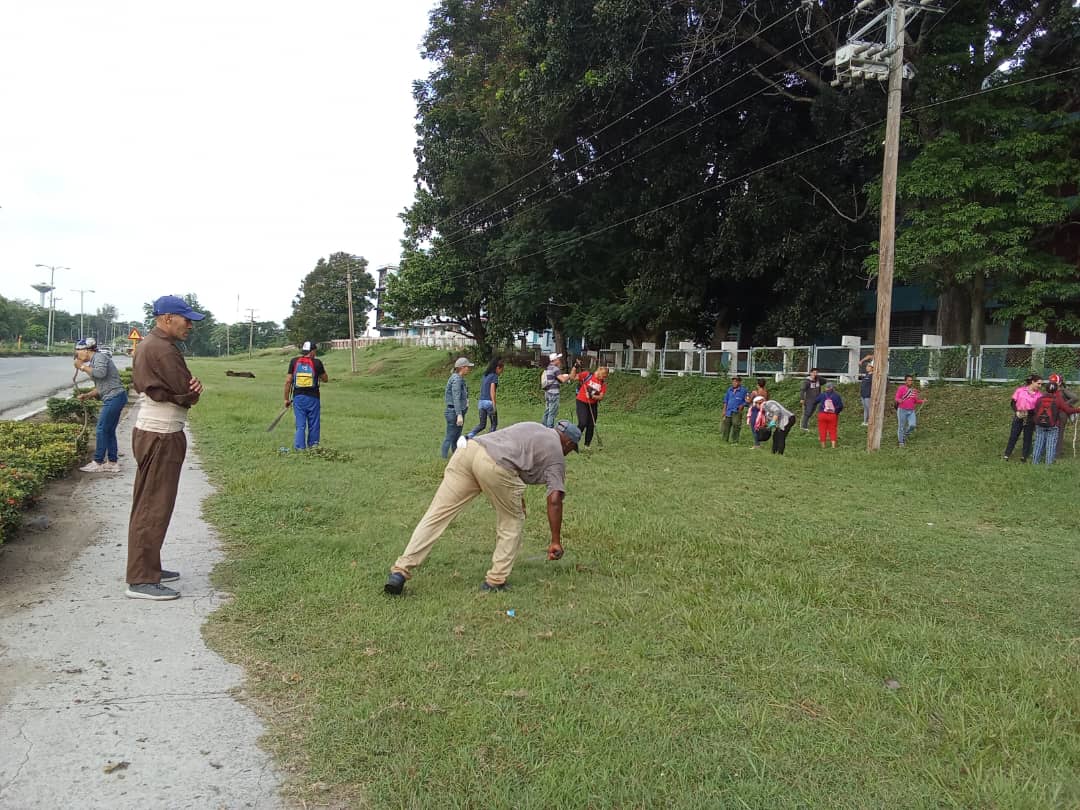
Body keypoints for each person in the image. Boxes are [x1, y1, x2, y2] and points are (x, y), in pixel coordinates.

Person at [384, 420, 580, 595]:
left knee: (436, 515)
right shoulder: (556, 455)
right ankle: (496, 580)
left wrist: (517, 499)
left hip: (469, 451)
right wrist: (555, 540)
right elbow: (555, 499)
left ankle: (400, 571)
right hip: (493, 466)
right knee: (512, 520)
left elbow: (513, 456)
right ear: (569, 443)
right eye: (571, 449)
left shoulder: (533, 426)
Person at [125, 295, 205, 601]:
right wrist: (194, 392)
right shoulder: (162, 350)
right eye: (186, 320)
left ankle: (148, 567)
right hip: (161, 435)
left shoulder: (152, 345)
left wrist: (188, 392)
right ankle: (142, 578)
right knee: (153, 506)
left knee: (151, 502)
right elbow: (187, 392)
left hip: (155, 432)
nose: (190, 326)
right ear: (167, 318)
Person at [74, 337, 128, 473]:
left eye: (78, 351)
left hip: (114, 397)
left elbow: (100, 373)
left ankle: (98, 462)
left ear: (86, 350)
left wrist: (81, 366)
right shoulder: (95, 360)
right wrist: (87, 395)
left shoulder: (99, 357)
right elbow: (102, 385)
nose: (77, 354)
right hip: (115, 396)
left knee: (101, 429)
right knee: (108, 431)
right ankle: (112, 462)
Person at [284, 340, 329, 451]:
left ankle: (299, 448)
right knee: (314, 424)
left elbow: (288, 381)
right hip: (313, 398)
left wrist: (286, 399)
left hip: (298, 398)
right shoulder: (317, 363)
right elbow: (325, 379)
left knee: (300, 424)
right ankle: (313, 447)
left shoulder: (294, 361)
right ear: (312, 351)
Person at [1030, 381, 1080, 465]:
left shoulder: (1039, 399)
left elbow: (1035, 411)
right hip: (1052, 425)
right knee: (1051, 445)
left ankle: (1035, 462)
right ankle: (1048, 465)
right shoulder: (1058, 400)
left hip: (1040, 425)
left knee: (1038, 443)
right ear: (1056, 390)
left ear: (1046, 389)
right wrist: (1078, 409)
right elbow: (1068, 410)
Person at [1002, 374, 1043, 462]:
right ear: (1032, 382)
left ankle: (1024, 456)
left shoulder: (1039, 395)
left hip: (1030, 417)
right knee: (1013, 436)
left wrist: (1029, 412)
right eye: (1038, 383)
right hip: (1019, 416)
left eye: (1041, 384)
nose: (1040, 386)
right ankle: (1007, 454)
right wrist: (1016, 411)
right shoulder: (1020, 390)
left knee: (1027, 437)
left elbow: (1038, 408)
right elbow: (1013, 402)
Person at [442, 357, 474, 458]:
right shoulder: (456, 379)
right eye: (467, 367)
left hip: (456, 411)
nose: (469, 369)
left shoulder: (459, 378)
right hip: (453, 412)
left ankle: (455, 456)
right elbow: (456, 397)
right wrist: (459, 414)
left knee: (455, 436)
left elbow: (461, 396)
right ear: (462, 368)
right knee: (450, 436)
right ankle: (443, 457)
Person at [466, 358, 504, 439]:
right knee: (494, 424)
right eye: (502, 369)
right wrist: (494, 404)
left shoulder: (485, 375)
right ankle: (490, 440)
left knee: (482, 425)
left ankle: (469, 436)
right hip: (488, 403)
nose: (502, 372)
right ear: (497, 368)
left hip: (481, 403)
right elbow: (492, 391)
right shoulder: (494, 376)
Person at [540, 352, 579, 428]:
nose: (560, 360)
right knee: (552, 412)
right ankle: (550, 429)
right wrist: (569, 376)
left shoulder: (548, 367)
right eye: (558, 359)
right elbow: (563, 379)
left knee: (547, 411)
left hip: (547, 393)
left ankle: (543, 427)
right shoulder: (555, 368)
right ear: (555, 360)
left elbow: (554, 379)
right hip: (554, 393)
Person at [575, 366, 609, 448]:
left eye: (605, 377)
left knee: (591, 424)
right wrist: (574, 367)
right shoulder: (587, 375)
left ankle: (587, 445)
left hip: (593, 404)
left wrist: (592, 396)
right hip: (581, 402)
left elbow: (601, 397)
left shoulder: (603, 384)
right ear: (599, 372)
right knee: (582, 422)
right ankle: (573, 440)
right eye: (603, 376)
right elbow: (573, 377)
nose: (604, 378)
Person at [894, 375, 927, 447]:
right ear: (905, 381)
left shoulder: (914, 390)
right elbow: (896, 397)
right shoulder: (901, 388)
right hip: (902, 410)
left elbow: (915, 401)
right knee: (901, 426)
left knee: (913, 425)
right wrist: (899, 400)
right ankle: (901, 441)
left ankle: (906, 434)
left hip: (911, 411)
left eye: (911, 380)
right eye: (909, 380)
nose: (910, 381)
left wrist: (922, 401)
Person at [814, 381, 844, 448]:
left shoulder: (822, 395)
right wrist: (836, 412)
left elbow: (815, 401)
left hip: (822, 414)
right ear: (832, 388)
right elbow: (841, 406)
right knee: (833, 430)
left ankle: (823, 446)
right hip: (832, 415)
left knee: (822, 430)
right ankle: (833, 446)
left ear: (826, 388)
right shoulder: (837, 395)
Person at [720, 376, 748, 443]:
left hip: (737, 411)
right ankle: (724, 440)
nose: (734, 383)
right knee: (726, 425)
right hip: (728, 410)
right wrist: (724, 410)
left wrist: (743, 405)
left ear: (739, 382)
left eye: (735, 381)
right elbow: (725, 400)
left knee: (736, 425)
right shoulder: (729, 390)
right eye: (733, 381)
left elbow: (747, 400)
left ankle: (735, 441)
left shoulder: (744, 390)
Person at [859, 358, 874, 426]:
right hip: (863, 394)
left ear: (872, 368)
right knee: (865, 408)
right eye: (867, 366)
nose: (866, 367)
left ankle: (870, 421)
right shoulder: (867, 375)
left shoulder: (873, 376)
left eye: (868, 366)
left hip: (868, 395)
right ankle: (865, 421)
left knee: (869, 408)